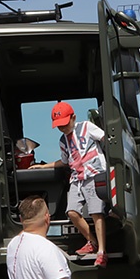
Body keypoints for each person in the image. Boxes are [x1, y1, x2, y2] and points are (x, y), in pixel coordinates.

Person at [31, 101, 109, 267]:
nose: (63, 128)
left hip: (93, 174)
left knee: (97, 213)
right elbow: (65, 161)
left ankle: (102, 251)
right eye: (59, 126)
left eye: (65, 124)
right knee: (72, 212)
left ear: (73, 117)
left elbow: (107, 139)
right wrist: (44, 165)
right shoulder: (62, 140)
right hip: (77, 178)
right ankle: (92, 241)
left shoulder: (87, 127)